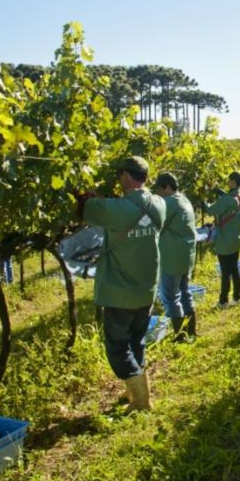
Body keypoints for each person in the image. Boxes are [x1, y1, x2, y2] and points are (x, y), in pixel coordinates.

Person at [82, 156, 166, 411]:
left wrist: (90, 194)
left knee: (118, 349)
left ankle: (142, 399)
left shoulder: (113, 209)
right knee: (136, 342)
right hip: (147, 289)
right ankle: (135, 392)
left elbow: (86, 208)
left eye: (120, 176)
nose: (119, 181)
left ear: (127, 177)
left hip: (120, 292)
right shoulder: (159, 204)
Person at [152, 172, 198, 341]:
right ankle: (191, 331)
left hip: (172, 257)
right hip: (186, 255)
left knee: (170, 297)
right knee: (185, 293)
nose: (157, 193)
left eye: (159, 189)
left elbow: (154, 221)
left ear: (167, 187)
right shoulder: (184, 200)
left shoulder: (169, 202)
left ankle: (180, 336)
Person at [203, 171, 240, 308]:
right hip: (236, 239)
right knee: (234, 269)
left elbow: (210, 210)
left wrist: (202, 200)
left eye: (229, 180)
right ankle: (237, 298)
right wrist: (218, 190)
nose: (227, 182)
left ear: (233, 181)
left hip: (225, 240)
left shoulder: (227, 200)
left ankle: (223, 301)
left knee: (225, 272)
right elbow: (228, 199)